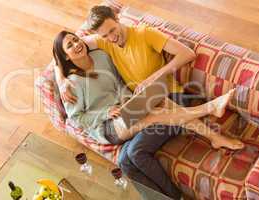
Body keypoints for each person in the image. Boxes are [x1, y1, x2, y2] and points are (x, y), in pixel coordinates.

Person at [54, 6, 244, 200]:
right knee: (132, 149)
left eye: (112, 30)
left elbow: (188, 54)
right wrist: (61, 81)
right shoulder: (102, 47)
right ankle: (210, 113)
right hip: (127, 114)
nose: (111, 37)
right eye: (105, 35)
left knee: (128, 158)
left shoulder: (136, 36)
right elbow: (60, 57)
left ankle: (170, 195)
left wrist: (153, 78)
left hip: (163, 98)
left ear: (117, 17)